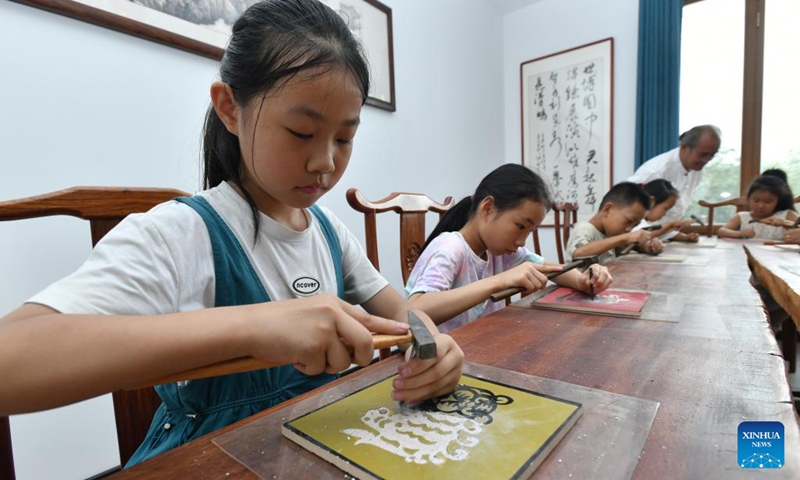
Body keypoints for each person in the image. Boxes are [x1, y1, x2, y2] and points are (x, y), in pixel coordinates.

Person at [0, 0, 463, 467]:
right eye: (302, 132)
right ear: (230, 109)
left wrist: (436, 349)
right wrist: (257, 325)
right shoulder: (183, 233)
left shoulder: (329, 232)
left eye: (344, 139)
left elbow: (407, 317)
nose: (326, 162)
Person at [404, 164, 613, 333]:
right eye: (520, 226)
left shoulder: (497, 251)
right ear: (487, 208)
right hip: (439, 363)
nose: (522, 241)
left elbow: (551, 270)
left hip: (478, 347)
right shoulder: (450, 248)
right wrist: (500, 281)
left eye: (529, 231)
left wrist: (583, 280)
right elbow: (415, 309)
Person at [628, 125, 721, 222]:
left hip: (666, 233)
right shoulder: (656, 170)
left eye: (712, 156)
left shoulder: (697, 170)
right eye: (703, 155)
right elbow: (628, 209)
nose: (706, 160)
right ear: (684, 147)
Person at [566, 182, 657, 263]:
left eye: (635, 225)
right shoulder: (584, 228)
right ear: (607, 209)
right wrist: (624, 238)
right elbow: (578, 254)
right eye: (628, 221)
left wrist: (646, 247)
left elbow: (624, 248)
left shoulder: (609, 234)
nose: (629, 229)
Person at [716, 174, 798, 240]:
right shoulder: (742, 216)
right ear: (748, 199)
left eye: (768, 202)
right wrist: (738, 233)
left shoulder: (786, 214)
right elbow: (721, 231)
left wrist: (786, 223)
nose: (761, 205)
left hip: (780, 258)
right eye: (756, 200)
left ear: (778, 201)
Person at [634, 179, 700, 243]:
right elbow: (645, 235)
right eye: (665, 208)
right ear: (652, 201)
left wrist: (686, 237)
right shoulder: (635, 220)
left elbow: (666, 234)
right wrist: (671, 225)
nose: (665, 214)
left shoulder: (649, 223)